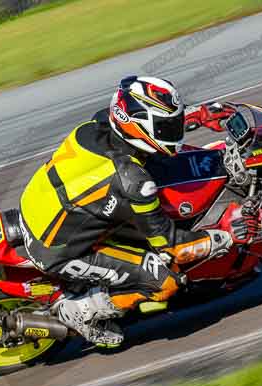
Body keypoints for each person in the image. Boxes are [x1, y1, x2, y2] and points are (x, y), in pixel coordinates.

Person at [17, 76, 235, 348]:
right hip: (56, 250)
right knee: (164, 281)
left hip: (38, 208)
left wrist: (197, 115)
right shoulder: (134, 182)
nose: (173, 131)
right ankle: (79, 313)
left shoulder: (97, 125)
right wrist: (225, 236)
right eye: (167, 126)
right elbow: (172, 246)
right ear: (137, 125)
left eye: (173, 123)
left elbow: (144, 129)